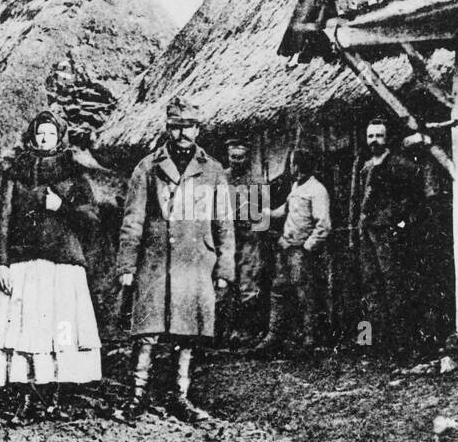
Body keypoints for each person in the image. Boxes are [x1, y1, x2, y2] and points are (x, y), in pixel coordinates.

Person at [116, 99, 234, 423]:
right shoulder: (148, 167)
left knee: (188, 332)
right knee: (148, 331)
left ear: (198, 129)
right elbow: (132, 220)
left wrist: (224, 267)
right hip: (155, 259)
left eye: (190, 127)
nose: (184, 133)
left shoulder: (213, 170)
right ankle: (137, 396)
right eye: (178, 126)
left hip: (195, 261)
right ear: (168, 128)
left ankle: (180, 396)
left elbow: (224, 222)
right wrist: (127, 265)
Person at [0, 110, 102, 421]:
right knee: (26, 330)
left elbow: (92, 221)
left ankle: (55, 400)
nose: (44, 139)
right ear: (32, 136)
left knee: (59, 331)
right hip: (25, 264)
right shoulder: (16, 173)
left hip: (62, 264)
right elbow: (3, 222)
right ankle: (26, 399)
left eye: (50, 134)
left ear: (59, 138)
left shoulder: (75, 173)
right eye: (40, 133)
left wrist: (62, 207)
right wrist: (1, 263)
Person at [357, 119, 424, 355]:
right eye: (370, 136)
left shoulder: (399, 165)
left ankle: (403, 343)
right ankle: (378, 342)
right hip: (368, 233)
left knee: (394, 285)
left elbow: (412, 198)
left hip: (388, 234)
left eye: (379, 135)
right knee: (371, 285)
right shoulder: (365, 167)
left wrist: (398, 222)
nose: (374, 140)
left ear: (387, 138)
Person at [254, 150, 331, 354]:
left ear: (303, 166)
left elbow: (323, 225)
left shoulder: (317, 190)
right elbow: (285, 210)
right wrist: (265, 213)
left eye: (295, 165)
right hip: (285, 249)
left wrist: (308, 247)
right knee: (278, 291)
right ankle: (274, 336)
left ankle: (309, 340)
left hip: (300, 253)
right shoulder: (296, 186)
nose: (293, 169)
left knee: (305, 295)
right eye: (292, 164)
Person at [219, 137, 270, 345]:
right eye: (232, 157)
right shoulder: (221, 178)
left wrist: (255, 239)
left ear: (247, 157)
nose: (236, 161)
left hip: (249, 238)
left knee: (248, 284)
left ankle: (247, 332)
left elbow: (263, 217)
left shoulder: (257, 180)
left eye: (240, 157)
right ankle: (224, 331)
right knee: (225, 283)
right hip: (226, 238)